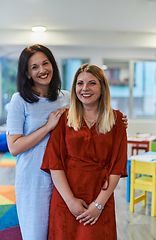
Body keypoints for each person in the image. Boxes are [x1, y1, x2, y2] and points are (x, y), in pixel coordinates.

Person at [41, 63, 128, 240]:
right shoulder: (63, 118)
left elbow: (117, 167)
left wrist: (99, 204)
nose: (85, 88)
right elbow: (54, 162)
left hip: (100, 198)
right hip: (66, 198)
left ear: (103, 88)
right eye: (80, 83)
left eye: (92, 83)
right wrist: (71, 201)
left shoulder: (117, 120)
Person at [6, 44, 70, 240]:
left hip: (65, 178)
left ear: (53, 65)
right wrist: (47, 127)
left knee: (61, 233)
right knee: (36, 235)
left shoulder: (66, 97)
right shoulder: (19, 100)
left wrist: (116, 119)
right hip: (32, 180)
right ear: (27, 72)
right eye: (34, 67)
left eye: (45, 63)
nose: (42, 70)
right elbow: (14, 147)